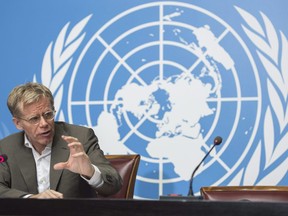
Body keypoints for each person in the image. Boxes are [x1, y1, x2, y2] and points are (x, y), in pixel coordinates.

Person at [0, 82, 122, 198]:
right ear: (18, 123)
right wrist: (31, 198)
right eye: (34, 119)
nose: (44, 123)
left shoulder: (80, 138)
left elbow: (114, 184)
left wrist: (90, 172)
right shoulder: (6, 148)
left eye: (48, 114)